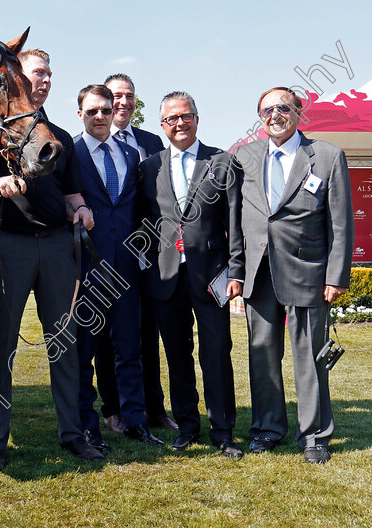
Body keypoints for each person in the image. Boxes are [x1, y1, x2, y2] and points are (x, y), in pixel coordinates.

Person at [0, 48, 102, 472]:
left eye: (49, 74)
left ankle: (73, 435)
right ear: (18, 78)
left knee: (65, 344)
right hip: (8, 246)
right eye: (37, 73)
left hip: (58, 246)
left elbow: (72, 193)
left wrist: (81, 210)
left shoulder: (59, 136)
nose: (45, 80)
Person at [235, 87, 353, 464]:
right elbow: (239, 219)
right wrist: (236, 271)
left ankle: (315, 436)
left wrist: (336, 276)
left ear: (299, 112)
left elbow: (341, 222)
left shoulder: (328, 156)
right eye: (266, 109)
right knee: (262, 355)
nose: (274, 115)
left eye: (283, 107)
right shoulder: (245, 156)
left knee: (310, 357)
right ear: (259, 117)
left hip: (308, 272)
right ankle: (267, 429)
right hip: (259, 271)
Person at [138, 92, 245, 458]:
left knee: (216, 352)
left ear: (197, 118)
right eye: (171, 119)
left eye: (185, 116)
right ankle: (187, 427)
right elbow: (144, 222)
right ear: (162, 125)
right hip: (166, 277)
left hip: (212, 276)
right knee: (177, 355)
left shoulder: (222, 161)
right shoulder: (149, 166)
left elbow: (236, 222)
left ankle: (223, 430)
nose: (179, 124)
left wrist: (237, 271)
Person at [72, 84, 164, 453]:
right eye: (92, 111)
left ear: (115, 113)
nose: (99, 117)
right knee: (84, 353)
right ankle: (87, 425)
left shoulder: (130, 153)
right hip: (87, 268)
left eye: (105, 111)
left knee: (130, 348)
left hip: (126, 269)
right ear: (79, 113)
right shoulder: (68, 154)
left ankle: (135, 421)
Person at [102, 73, 177, 434]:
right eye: (117, 95)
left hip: (145, 254)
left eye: (129, 95)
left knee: (147, 334)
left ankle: (155, 408)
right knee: (107, 336)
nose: (124, 102)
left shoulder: (150, 141)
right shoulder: (87, 143)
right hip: (105, 254)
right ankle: (113, 407)